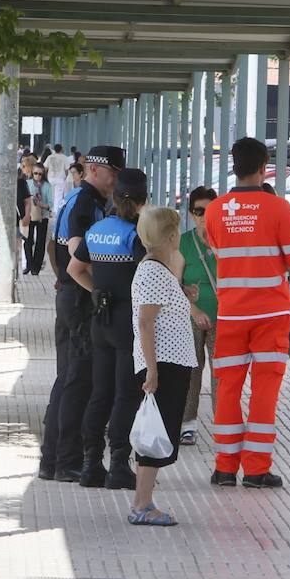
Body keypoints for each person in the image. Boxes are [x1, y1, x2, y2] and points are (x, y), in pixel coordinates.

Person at [203, 138, 290, 489]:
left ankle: (224, 468)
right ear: (264, 168)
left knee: (228, 388)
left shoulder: (216, 209)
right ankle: (257, 469)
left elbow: (218, 250)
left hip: (230, 313)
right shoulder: (278, 209)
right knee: (265, 390)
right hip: (271, 314)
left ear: (233, 166)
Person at [37, 145, 124, 482]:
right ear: (94, 170)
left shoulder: (87, 200)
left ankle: (53, 459)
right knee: (77, 381)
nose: (115, 180)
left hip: (73, 294)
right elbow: (75, 248)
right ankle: (64, 460)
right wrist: (93, 285)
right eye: (113, 173)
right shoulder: (85, 202)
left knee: (70, 380)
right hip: (79, 299)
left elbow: (56, 251)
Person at [69, 168, 149, 489]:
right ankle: (118, 464)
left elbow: (75, 268)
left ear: (115, 197)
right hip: (128, 323)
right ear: (144, 201)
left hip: (100, 320)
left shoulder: (97, 230)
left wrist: (96, 291)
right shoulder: (137, 235)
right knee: (126, 394)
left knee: (99, 393)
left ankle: (91, 464)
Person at [129, 205, 198, 526]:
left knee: (159, 432)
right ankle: (142, 505)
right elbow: (145, 323)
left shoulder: (156, 268)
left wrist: (184, 295)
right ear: (171, 236)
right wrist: (153, 370)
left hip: (169, 363)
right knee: (154, 435)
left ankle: (144, 502)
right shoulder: (154, 271)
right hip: (163, 364)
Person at [178, 186, 218, 446]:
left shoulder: (226, 242)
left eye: (210, 210)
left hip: (222, 317)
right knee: (191, 371)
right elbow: (174, 282)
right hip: (191, 317)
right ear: (191, 214)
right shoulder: (183, 243)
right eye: (199, 211)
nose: (204, 216)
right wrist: (194, 309)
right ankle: (187, 424)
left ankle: (224, 422)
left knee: (222, 373)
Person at [22, 164, 52, 276]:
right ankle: (29, 264)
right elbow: (23, 199)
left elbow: (50, 204)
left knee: (40, 242)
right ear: (32, 173)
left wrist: (41, 204)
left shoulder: (47, 186)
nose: (38, 176)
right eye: (35, 173)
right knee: (28, 240)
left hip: (43, 216)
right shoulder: (28, 184)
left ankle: (36, 267)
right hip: (29, 215)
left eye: (40, 174)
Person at [45, 143, 71, 213]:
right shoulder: (64, 157)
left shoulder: (50, 157)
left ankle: (50, 209)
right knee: (58, 196)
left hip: (50, 178)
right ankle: (56, 211)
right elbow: (66, 169)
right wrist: (65, 177)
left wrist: (46, 176)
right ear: (61, 149)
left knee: (50, 194)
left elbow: (46, 168)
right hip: (60, 178)